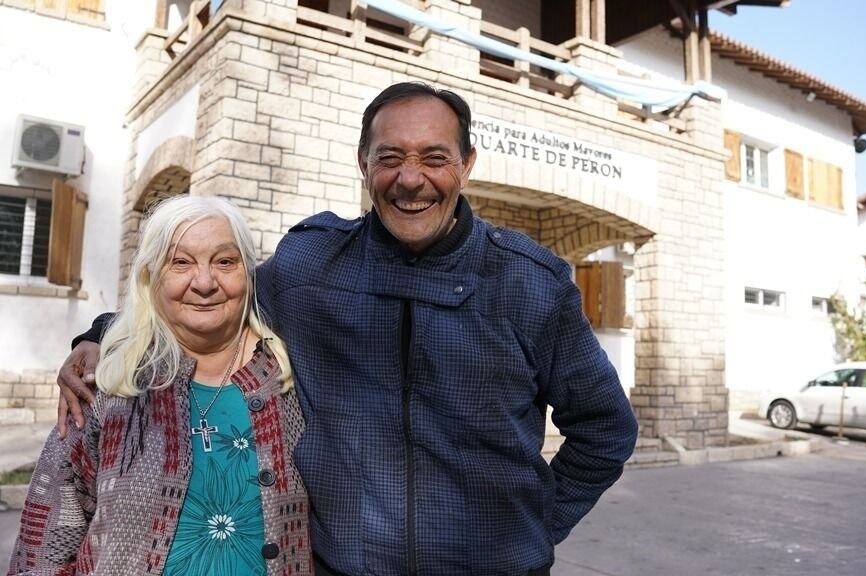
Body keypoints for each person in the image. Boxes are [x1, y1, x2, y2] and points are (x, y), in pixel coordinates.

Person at [57, 82, 638, 576]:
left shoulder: (529, 283)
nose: (411, 179)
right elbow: (210, 300)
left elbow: (606, 429)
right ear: (364, 165)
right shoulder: (312, 267)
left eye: (434, 158)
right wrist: (101, 334)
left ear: (467, 165)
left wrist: (533, 524)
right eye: (390, 158)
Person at [9, 196, 311, 575]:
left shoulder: (293, 381)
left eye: (225, 261)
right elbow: (44, 548)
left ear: (249, 275)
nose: (204, 282)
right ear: (151, 277)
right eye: (180, 262)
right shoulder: (108, 389)